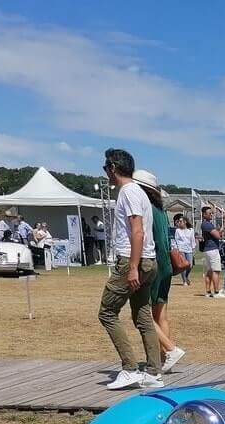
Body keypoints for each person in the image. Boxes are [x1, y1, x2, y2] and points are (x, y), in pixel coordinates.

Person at [96, 147, 161, 390]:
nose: (105, 173)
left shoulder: (128, 192)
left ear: (113, 168)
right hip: (148, 261)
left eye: (105, 168)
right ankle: (154, 371)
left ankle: (130, 368)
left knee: (107, 312)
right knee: (142, 314)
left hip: (133, 261)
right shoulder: (140, 193)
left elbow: (137, 231)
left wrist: (132, 267)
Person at [134, 170, 186, 373]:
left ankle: (169, 351)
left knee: (143, 313)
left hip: (153, 261)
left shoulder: (145, 209)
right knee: (161, 313)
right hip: (165, 264)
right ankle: (165, 358)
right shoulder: (162, 210)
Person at [199, 205, 224, 297]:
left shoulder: (205, 224)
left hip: (208, 250)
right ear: (204, 214)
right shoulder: (207, 224)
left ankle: (208, 291)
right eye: (209, 213)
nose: (211, 215)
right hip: (212, 249)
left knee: (209, 271)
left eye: (211, 213)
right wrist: (220, 230)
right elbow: (217, 236)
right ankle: (216, 292)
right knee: (216, 271)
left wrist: (218, 231)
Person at [172, 214, 195, 285]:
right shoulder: (177, 230)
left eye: (181, 221)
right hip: (181, 249)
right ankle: (184, 280)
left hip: (189, 249)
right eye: (178, 221)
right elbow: (176, 240)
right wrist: (176, 249)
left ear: (185, 222)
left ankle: (186, 276)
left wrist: (193, 248)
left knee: (190, 265)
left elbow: (192, 240)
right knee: (183, 265)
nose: (179, 222)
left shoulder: (191, 230)